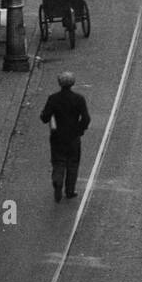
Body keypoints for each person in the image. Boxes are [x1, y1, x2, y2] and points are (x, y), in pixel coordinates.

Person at [40, 72, 91, 202]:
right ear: (72, 83)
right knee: (73, 163)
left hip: (57, 136)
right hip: (73, 136)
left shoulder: (53, 98)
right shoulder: (79, 99)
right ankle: (69, 190)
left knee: (58, 161)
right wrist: (80, 130)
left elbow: (45, 117)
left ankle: (57, 180)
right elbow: (86, 118)